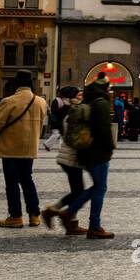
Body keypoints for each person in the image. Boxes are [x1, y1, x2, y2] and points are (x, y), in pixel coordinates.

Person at [44, 74, 116, 239]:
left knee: (97, 187)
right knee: (99, 188)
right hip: (98, 152)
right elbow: (104, 130)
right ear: (105, 89)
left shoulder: (87, 101)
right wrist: (110, 149)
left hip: (84, 151)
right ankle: (92, 225)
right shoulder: (101, 103)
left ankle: (68, 214)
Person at [0, 71, 48, 228]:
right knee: (27, 180)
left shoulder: (9, 101)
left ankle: (15, 216)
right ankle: (34, 215)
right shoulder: (40, 102)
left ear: (16, 83)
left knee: (11, 182)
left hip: (11, 147)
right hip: (30, 148)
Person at [41, 88, 88, 236]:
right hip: (70, 156)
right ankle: (54, 212)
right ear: (71, 97)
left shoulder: (69, 110)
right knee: (79, 192)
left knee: (77, 191)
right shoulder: (72, 111)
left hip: (67, 156)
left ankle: (70, 221)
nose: (81, 97)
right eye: (78, 95)